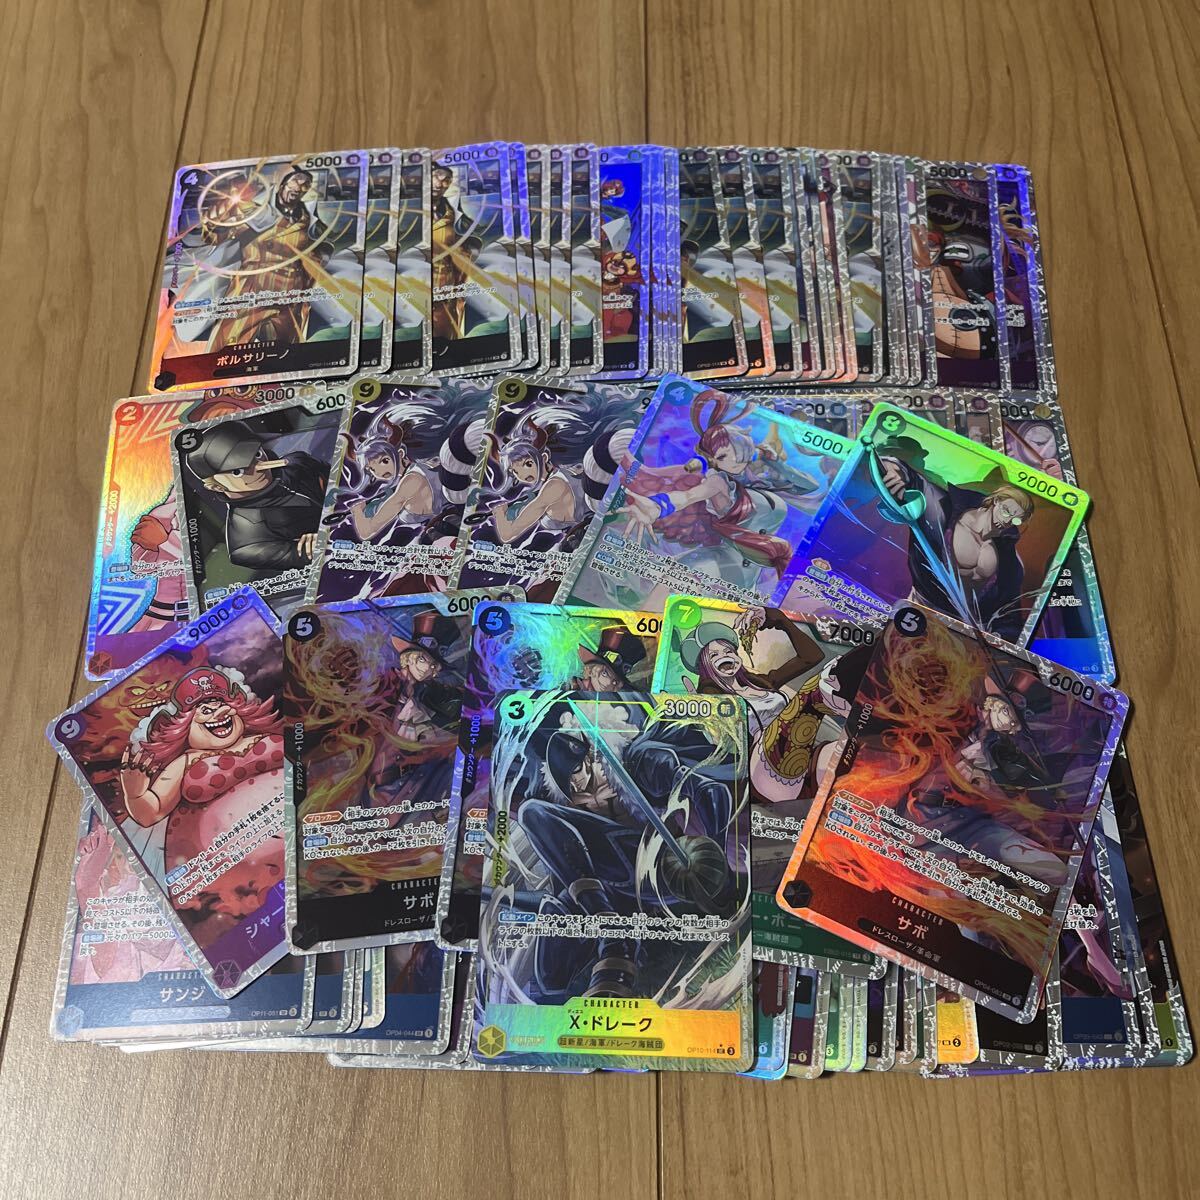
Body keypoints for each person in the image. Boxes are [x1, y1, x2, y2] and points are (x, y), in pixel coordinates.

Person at [118, 666, 285, 941]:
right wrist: (134, 794)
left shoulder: (263, 737)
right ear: (184, 725)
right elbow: (151, 812)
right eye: (205, 710)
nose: (217, 714)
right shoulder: (186, 762)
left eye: (222, 705)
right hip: (225, 874)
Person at [877, 452, 1035, 640]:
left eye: (1015, 519)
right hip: (918, 613)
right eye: (1006, 511)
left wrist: (998, 638)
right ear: (996, 500)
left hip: (965, 635)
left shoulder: (1010, 564)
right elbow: (914, 481)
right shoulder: (943, 508)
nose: (1007, 521)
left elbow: (1009, 616)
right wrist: (896, 469)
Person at [203, 167, 327, 349]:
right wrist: (215, 222)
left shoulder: (309, 222)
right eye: (295, 180)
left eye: (305, 184)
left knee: (290, 355)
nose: (299, 187)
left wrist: (307, 293)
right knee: (223, 351)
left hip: (289, 295)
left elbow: (315, 258)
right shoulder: (254, 211)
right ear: (282, 182)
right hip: (251, 290)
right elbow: (214, 237)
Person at [185, 420, 328, 572]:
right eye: (238, 471)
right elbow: (313, 555)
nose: (259, 467)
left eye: (257, 454)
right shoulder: (247, 541)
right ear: (216, 486)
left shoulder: (298, 463)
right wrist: (319, 541)